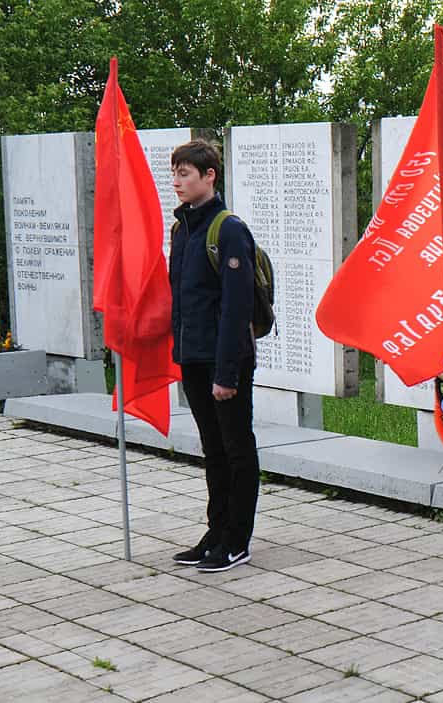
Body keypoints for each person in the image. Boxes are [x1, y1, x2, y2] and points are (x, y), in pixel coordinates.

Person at [168, 139, 260, 573]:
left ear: (210, 177)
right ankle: (215, 531)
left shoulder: (228, 229)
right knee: (213, 450)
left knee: (237, 450)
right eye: (175, 173)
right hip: (194, 357)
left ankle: (237, 539)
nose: (177, 182)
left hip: (226, 362)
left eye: (186, 173)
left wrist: (226, 373)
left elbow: (236, 308)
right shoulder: (181, 229)